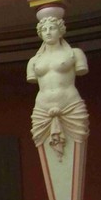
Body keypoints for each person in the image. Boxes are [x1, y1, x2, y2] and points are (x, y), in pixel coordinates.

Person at [27, 16, 89, 160]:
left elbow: (81, 69)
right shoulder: (34, 61)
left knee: (76, 145)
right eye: (44, 29)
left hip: (70, 105)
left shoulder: (74, 53)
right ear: (40, 34)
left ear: (60, 31)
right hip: (42, 109)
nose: (48, 32)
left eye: (52, 28)